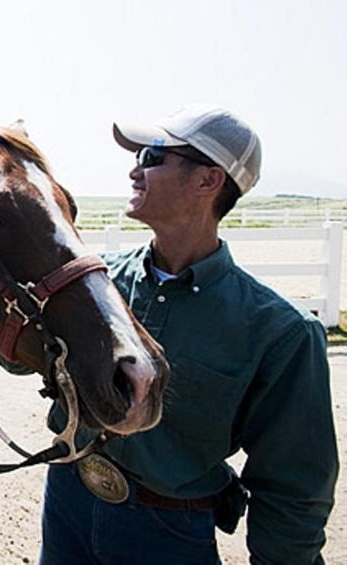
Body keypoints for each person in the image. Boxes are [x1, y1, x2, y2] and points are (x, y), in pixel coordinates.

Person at [39, 105, 338, 564]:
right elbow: (24, 357)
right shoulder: (98, 287)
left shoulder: (281, 332)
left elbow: (295, 485)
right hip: (67, 501)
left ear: (208, 181)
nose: (135, 170)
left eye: (152, 156)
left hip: (166, 532)